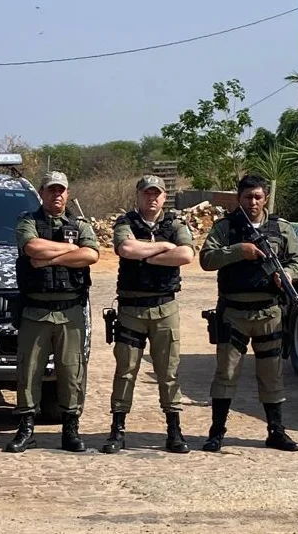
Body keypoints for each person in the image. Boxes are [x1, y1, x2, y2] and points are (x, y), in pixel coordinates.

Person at [199, 174, 298, 453]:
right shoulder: (226, 227)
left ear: (265, 198)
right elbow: (207, 259)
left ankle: (276, 431)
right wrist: (239, 251)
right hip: (233, 312)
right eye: (248, 197)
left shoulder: (281, 228)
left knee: (271, 374)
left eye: (258, 197)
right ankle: (216, 432)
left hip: (269, 312)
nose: (253, 202)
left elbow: (297, 261)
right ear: (239, 198)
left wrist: (290, 276)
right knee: (226, 373)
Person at [4, 171, 99, 453]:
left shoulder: (79, 224)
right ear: (42, 193)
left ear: (67, 194)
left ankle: (70, 430)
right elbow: (31, 247)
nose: (57, 195)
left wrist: (51, 257)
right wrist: (70, 251)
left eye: (61, 190)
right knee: (29, 371)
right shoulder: (28, 221)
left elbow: (91, 255)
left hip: (70, 311)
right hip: (36, 311)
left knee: (71, 372)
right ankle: (26, 429)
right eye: (51, 190)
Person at [102, 175, 195, 454]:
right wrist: (165, 248)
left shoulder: (176, 224)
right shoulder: (126, 223)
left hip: (165, 307)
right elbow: (126, 248)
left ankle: (174, 431)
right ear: (138, 196)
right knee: (126, 370)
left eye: (157, 194)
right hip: (132, 308)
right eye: (146, 194)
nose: (151, 198)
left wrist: (148, 255)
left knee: (168, 371)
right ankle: (117, 430)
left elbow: (187, 255)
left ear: (164, 197)